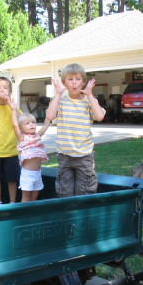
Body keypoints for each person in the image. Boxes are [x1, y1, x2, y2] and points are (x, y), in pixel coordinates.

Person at [46, 63, 106, 197]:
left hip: (84, 156)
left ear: (84, 82)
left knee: (85, 191)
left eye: (78, 79)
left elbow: (100, 116)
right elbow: (50, 116)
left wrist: (90, 95)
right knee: (64, 191)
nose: (74, 83)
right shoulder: (60, 100)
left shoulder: (89, 101)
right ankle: (68, 215)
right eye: (70, 79)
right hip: (64, 155)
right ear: (64, 82)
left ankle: (83, 216)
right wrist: (58, 94)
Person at [10, 99, 51, 202]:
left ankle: (31, 214)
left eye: (33, 122)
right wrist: (13, 110)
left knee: (34, 197)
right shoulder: (22, 138)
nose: (31, 124)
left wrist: (49, 112)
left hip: (38, 174)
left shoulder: (38, 135)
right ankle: (23, 214)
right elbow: (15, 126)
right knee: (26, 197)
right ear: (21, 129)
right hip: (27, 175)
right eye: (27, 123)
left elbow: (46, 124)